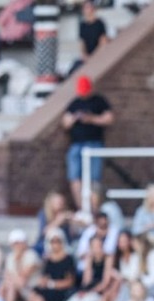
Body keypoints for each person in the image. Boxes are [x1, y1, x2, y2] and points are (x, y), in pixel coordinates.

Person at [62, 75, 114, 209]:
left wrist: (91, 119)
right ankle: (82, 208)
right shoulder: (75, 103)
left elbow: (109, 119)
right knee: (75, 178)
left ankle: (94, 209)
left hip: (94, 144)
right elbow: (65, 123)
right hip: (76, 145)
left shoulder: (99, 101)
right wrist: (75, 117)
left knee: (94, 178)